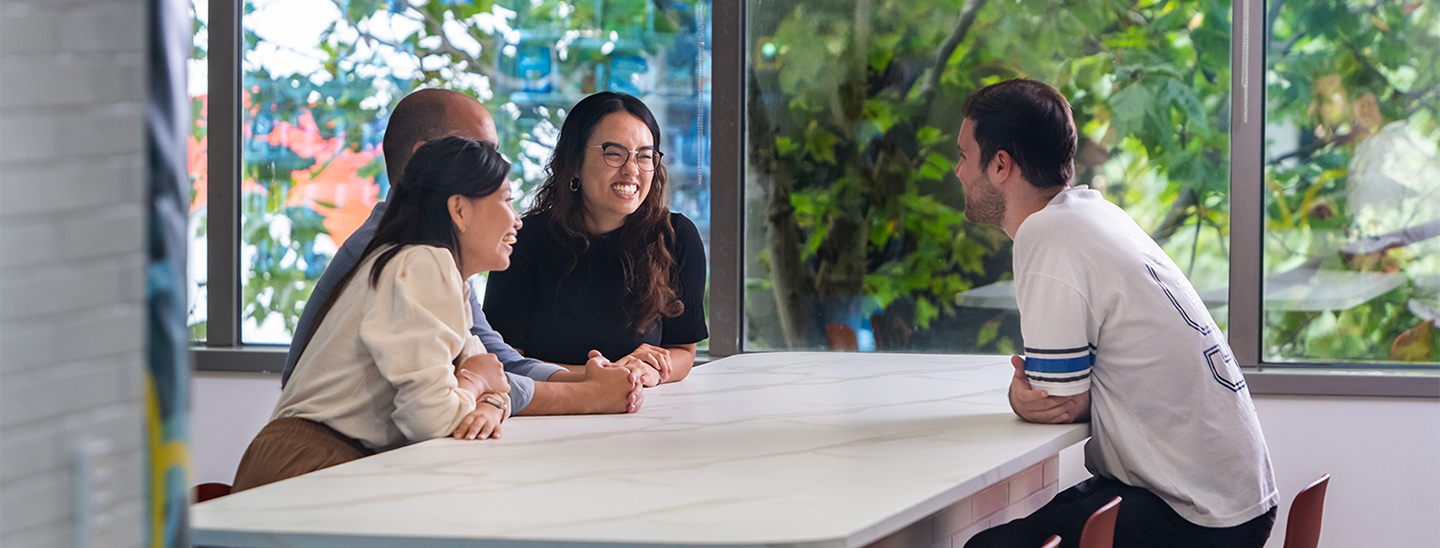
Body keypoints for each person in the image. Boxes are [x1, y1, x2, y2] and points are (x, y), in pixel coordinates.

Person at [954, 79, 1278, 548]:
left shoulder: (1048, 234)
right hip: (1228, 497)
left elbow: (1058, 401)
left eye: (964, 156)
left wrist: (1020, 396)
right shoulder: (1096, 214)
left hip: (1200, 513)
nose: (958, 171)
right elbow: (1074, 396)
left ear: (1000, 164)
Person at [281, 89, 643, 416]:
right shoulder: (411, 257)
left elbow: (491, 362)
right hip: (325, 465)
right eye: (481, 152)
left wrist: (595, 379)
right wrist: (589, 395)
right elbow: (443, 397)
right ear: (430, 160)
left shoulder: (437, 253)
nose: (514, 217)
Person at [234, 136, 520, 491]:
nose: (517, 219)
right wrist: (475, 384)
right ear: (459, 209)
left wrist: (490, 401)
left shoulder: (442, 273)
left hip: (325, 461)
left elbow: (493, 376)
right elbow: (431, 417)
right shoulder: (423, 263)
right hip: (307, 463)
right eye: (507, 200)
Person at [484, 92, 707, 387]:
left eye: (644, 156)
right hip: (548, 411)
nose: (631, 170)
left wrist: (652, 370)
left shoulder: (676, 237)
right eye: (614, 153)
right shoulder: (525, 240)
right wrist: (602, 378)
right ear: (574, 161)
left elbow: (682, 349)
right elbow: (504, 359)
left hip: (641, 411)